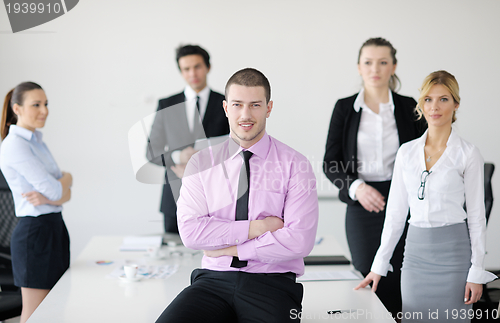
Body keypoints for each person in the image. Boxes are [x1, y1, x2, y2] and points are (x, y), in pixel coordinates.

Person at [155, 68, 318, 323]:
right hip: (212, 281)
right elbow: (191, 232)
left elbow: (299, 241)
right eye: (237, 104)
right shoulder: (201, 163)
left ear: (269, 107)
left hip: (272, 284)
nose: (246, 114)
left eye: (255, 105)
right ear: (226, 108)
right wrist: (259, 227)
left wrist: (231, 248)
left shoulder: (296, 165)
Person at [355, 70, 497, 322]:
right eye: (428, 99)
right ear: (421, 104)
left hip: (454, 256)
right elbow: (396, 215)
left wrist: (476, 271)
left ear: (456, 104)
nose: (435, 106)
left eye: (443, 99)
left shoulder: (467, 153)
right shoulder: (406, 153)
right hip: (415, 257)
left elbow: (476, 218)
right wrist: (379, 264)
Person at [323, 37, 426, 317]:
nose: (375, 69)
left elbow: (426, 157)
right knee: (369, 274)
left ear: (393, 66)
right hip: (362, 203)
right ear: (359, 67)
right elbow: (330, 163)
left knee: (402, 275)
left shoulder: (409, 107)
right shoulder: (344, 108)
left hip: (405, 202)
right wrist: (357, 188)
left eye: (383, 62)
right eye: (368, 62)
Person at [0, 82, 72, 323]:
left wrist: (64, 183)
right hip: (35, 234)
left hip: (55, 228)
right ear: (17, 108)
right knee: (35, 315)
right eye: (36, 105)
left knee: (56, 309)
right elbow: (55, 188)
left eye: (46, 104)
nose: (44, 110)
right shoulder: (14, 145)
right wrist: (64, 184)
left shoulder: (37, 141)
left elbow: (62, 191)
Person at [147, 44, 229, 233]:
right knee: (173, 255)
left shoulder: (227, 103)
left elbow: (238, 148)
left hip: (217, 196)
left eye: (197, 66)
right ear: (181, 72)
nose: (193, 73)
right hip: (175, 196)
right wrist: (178, 157)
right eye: (186, 69)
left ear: (208, 67)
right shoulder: (166, 104)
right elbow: (151, 151)